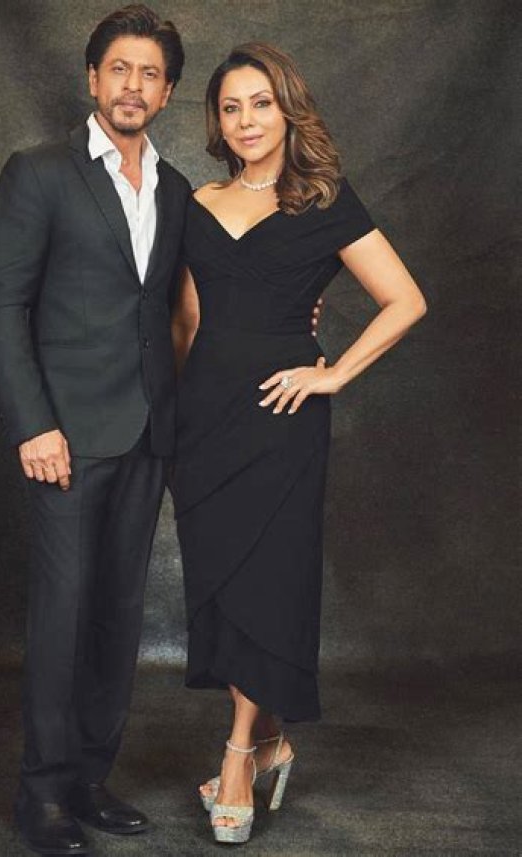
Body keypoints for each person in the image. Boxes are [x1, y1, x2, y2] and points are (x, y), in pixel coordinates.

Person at [170, 43, 427, 845]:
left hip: (281, 420)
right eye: (231, 107)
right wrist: (174, 412)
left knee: (266, 581)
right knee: (224, 583)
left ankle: (239, 754)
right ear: (216, 121)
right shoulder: (196, 202)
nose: (246, 120)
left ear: (287, 110)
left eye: (261, 103)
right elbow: (185, 320)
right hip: (203, 421)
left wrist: (334, 373)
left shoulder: (325, 200)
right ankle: (274, 740)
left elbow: (404, 299)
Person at [0, 6, 189, 855]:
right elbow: (3, 308)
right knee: (63, 616)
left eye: (150, 74)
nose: (133, 86)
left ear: (166, 93)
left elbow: (180, 303)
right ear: (92, 78)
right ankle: (41, 793)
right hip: (64, 436)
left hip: (147, 433)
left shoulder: (175, 189)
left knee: (117, 614)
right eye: (120, 69)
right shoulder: (39, 173)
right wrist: (34, 424)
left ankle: (89, 779)